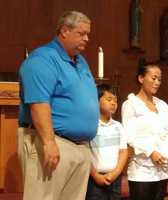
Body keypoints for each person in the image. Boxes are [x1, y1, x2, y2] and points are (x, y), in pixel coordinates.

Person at [18, 10, 99, 200]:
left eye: (88, 34)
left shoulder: (81, 62)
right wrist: (49, 142)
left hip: (80, 147)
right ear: (64, 31)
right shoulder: (43, 59)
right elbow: (39, 103)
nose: (87, 39)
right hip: (53, 143)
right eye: (82, 33)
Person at [121, 60, 168, 200]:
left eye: (159, 79)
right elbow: (129, 136)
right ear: (141, 78)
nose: (157, 82)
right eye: (153, 78)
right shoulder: (130, 104)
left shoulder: (163, 105)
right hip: (141, 171)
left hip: (161, 171)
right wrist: (150, 151)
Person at [86, 84, 128, 200]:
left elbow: (123, 151)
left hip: (115, 178)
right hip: (94, 179)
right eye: (109, 99)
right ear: (97, 101)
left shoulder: (118, 126)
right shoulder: (91, 125)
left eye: (115, 100)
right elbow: (85, 153)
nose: (113, 103)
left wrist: (116, 172)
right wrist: (95, 175)